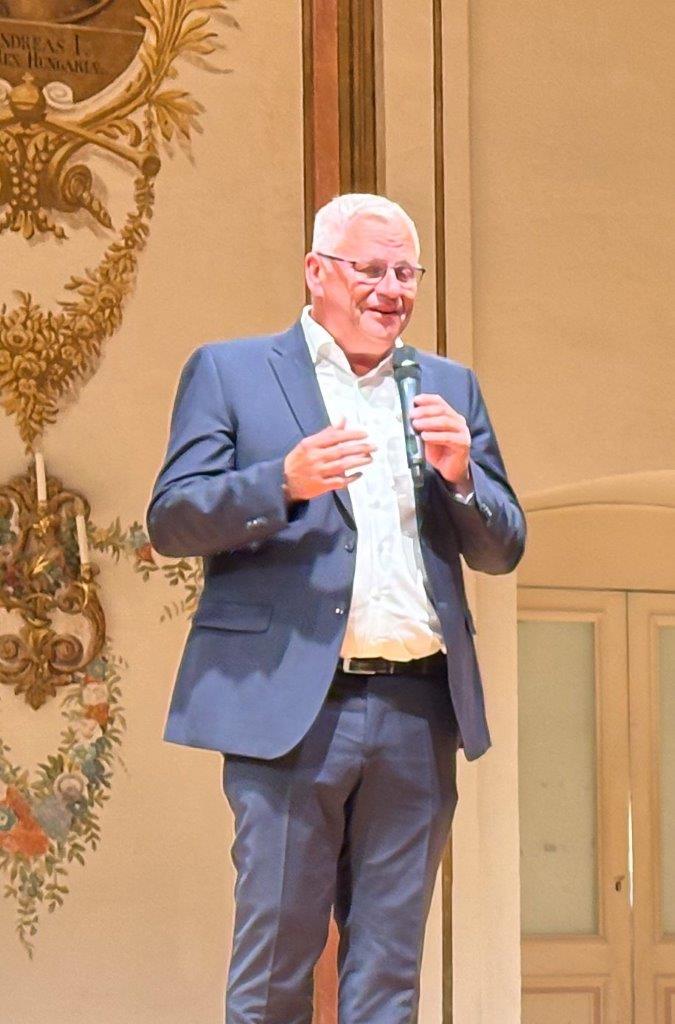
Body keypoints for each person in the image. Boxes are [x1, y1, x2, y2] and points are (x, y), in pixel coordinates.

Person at [146, 193, 526, 1024]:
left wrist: (461, 476)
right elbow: (171, 520)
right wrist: (280, 482)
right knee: (275, 968)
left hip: (417, 708)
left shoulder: (448, 386)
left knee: (389, 974)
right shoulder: (232, 372)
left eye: (406, 273)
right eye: (371, 269)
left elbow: (502, 548)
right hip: (290, 707)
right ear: (316, 272)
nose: (392, 290)